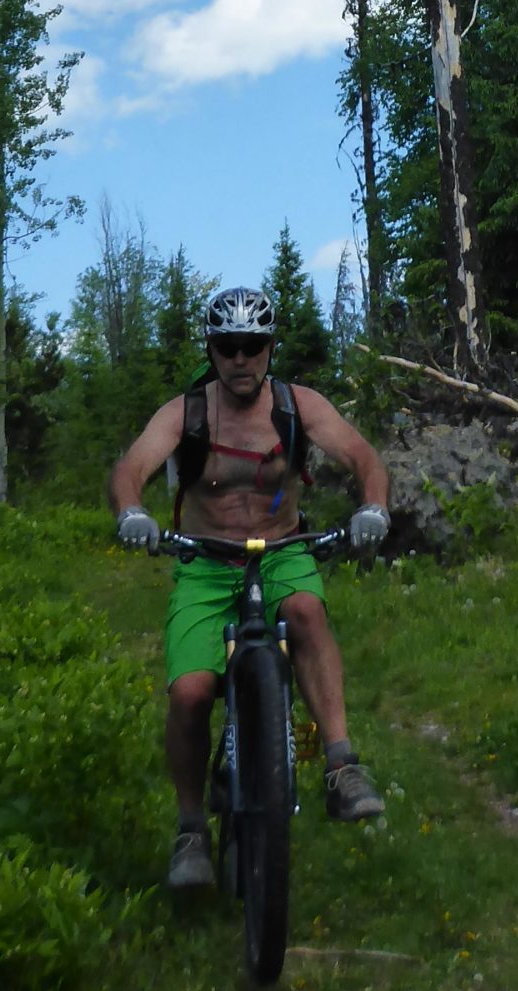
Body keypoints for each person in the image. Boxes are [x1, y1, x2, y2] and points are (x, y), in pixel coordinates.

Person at [110, 283, 394, 889]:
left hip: (284, 551)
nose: (241, 358)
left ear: (270, 349)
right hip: (206, 563)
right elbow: (131, 467)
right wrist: (132, 512)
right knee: (189, 694)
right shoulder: (185, 412)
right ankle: (191, 829)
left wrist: (373, 507)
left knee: (309, 613)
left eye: (253, 346)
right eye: (229, 346)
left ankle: (341, 766)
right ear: (212, 349)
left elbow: (363, 455)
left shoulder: (297, 405)